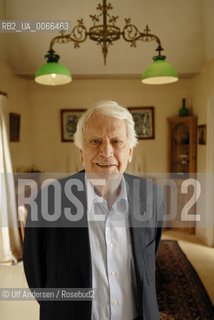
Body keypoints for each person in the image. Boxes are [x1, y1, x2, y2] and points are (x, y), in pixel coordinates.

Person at [23, 100, 165, 320]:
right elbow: (36, 275)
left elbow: (148, 260)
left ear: (129, 152)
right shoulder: (47, 202)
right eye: (95, 141)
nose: (106, 152)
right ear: (81, 151)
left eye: (116, 141)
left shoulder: (152, 196)